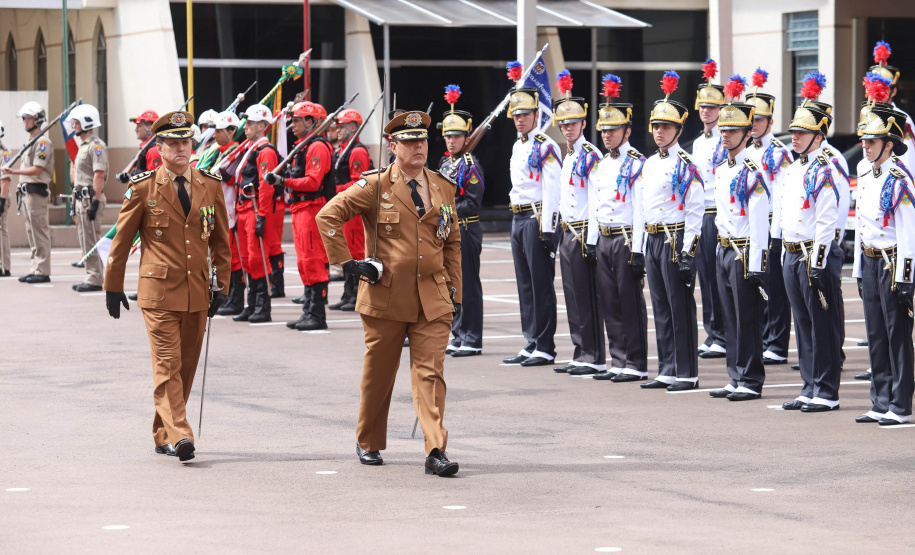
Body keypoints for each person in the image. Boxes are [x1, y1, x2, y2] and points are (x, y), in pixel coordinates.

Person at [315, 110, 462, 477]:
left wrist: (454, 291)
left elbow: (452, 241)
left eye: (422, 140)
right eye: (409, 141)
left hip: (433, 296)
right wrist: (348, 264)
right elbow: (327, 217)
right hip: (386, 297)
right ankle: (368, 440)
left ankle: (435, 449)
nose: (417, 147)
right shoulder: (375, 186)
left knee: (431, 374)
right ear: (392, 146)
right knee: (379, 374)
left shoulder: (442, 186)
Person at [103, 110, 231, 462]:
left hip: (197, 292)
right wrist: (112, 285)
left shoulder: (210, 184)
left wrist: (224, 284)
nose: (180, 149)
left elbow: (221, 240)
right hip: (158, 293)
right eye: (172, 143)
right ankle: (181, 435)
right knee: (167, 363)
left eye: (185, 142)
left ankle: (162, 432)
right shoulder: (143, 188)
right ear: (159, 147)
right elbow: (121, 240)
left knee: (185, 366)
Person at [779, 73, 843, 413]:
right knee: (802, 324)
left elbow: (826, 221)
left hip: (810, 255)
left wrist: (818, 262)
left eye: (802, 132)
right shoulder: (795, 168)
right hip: (791, 253)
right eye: (794, 132)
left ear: (819, 135)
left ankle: (826, 390)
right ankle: (809, 385)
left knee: (821, 324)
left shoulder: (824, 167)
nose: (795, 137)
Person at [640, 71, 704, 392]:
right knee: (661, 305)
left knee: (680, 306)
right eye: (656, 126)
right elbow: (643, 207)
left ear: (679, 130)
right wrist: (640, 249)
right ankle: (666, 367)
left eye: (665, 127)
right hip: (653, 238)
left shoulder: (687, 164)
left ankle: (687, 372)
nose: (659, 132)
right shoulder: (649, 163)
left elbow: (695, 212)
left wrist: (688, 252)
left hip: (675, 238)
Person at [851, 101, 914, 425]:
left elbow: (907, 232)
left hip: (892, 264)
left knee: (897, 335)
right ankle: (880, 400)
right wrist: (860, 272)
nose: (865, 145)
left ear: (889, 144)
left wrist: (906, 278)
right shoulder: (866, 173)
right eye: (864, 140)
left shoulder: (899, 179)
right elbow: (863, 228)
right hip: (871, 261)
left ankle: (900, 405)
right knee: (875, 333)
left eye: (872, 141)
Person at [706, 77, 769, 401]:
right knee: (729, 316)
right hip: (725, 247)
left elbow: (758, 221)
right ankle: (735, 375)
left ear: (747, 133)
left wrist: (756, 262)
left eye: (732, 131)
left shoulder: (751, 170)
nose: (726, 135)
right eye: (724, 131)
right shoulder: (723, 169)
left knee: (747, 319)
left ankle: (750, 378)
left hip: (745, 251)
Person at [586, 74, 649, 382]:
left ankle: (636, 362)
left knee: (629, 300)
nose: (607, 135)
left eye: (613, 130)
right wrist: (591, 240)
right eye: (604, 130)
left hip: (625, 238)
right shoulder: (601, 165)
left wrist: (638, 250)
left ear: (627, 130)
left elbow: (639, 210)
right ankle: (618, 359)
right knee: (609, 299)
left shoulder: (637, 163)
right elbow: (597, 205)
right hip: (606, 239)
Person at [502, 63, 561, 367]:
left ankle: (546, 345)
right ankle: (532, 339)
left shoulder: (545, 146)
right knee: (525, 284)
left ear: (537, 115)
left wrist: (549, 229)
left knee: (540, 284)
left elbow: (552, 190)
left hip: (537, 219)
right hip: (518, 217)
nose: (520, 119)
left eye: (525, 114)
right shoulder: (517, 146)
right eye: (516, 115)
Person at [551, 70, 605, 376]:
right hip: (568, 232)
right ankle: (580, 350)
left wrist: (593, 238)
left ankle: (593, 354)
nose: (568, 128)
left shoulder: (589, 154)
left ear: (583, 124)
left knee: (586, 295)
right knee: (572, 293)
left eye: (572, 123)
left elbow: (596, 200)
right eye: (563, 124)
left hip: (584, 231)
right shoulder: (569, 155)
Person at [267, 101, 333, 331]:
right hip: (299, 209)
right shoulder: (303, 147)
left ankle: (317, 314)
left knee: (313, 261)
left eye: (296, 121)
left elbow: (313, 181)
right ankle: (308, 311)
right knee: (304, 263)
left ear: (311, 122)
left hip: (313, 209)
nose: (292, 125)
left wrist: (283, 181)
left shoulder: (317, 147)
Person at [745, 70, 794, 366]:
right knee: (757, 285)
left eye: (759, 120)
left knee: (775, 288)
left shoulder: (779, 153)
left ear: (770, 122)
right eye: (750, 119)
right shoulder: (747, 150)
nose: (753, 125)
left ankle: (777, 343)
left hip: (773, 227)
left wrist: (775, 235)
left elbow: (782, 194)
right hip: (753, 226)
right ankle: (765, 337)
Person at [437, 85, 484, 357]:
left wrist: (445, 207)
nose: (451, 141)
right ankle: (458, 333)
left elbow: (471, 203)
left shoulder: (469, 164)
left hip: (466, 229)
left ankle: (472, 337)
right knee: (452, 285)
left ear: (467, 136)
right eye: (447, 136)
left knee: (468, 285)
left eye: (456, 136)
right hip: (449, 230)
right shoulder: (446, 164)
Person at [690, 59, 727, 359]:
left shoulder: (725, 140)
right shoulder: (698, 143)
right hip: (700, 213)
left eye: (712, 107)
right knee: (704, 275)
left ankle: (723, 334)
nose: (706, 111)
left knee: (718, 277)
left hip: (718, 212)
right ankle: (713, 331)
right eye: (703, 106)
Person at [231, 104, 281, 323]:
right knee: (246, 260)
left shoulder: (266, 151)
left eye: (250, 123)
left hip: (254, 209)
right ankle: (251, 304)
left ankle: (263, 306)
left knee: (258, 258)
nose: (246, 127)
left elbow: (266, 186)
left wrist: (261, 215)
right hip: (243, 210)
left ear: (263, 126)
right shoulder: (251, 148)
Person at [1, 101, 53, 283]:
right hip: (27, 194)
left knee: (39, 232)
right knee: (31, 233)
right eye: (24, 118)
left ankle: (43, 270)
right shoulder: (31, 141)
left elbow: (37, 170)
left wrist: (13, 172)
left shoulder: (43, 142)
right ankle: (35, 268)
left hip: (36, 193)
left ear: (37, 119)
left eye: (28, 118)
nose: (24, 121)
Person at [330, 107, 373, 312]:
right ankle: (348, 292)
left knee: (355, 252)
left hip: (354, 209)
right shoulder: (343, 149)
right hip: (344, 208)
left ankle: (357, 294)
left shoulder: (357, 151)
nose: (338, 130)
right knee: (346, 252)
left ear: (353, 127)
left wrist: (335, 190)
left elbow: (359, 183)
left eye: (342, 126)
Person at [66, 104, 109, 292]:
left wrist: (96, 201)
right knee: (85, 239)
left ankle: (95, 278)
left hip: (90, 199)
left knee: (92, 238)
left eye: (76, 122)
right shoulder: (83, 146)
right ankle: (91, 276)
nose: (74, 125)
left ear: (86, 122)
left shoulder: (96, 145)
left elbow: (99, 174)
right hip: (81, 199)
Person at [210, 111, 247, 316]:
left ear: (232, 131)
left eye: (219, 131)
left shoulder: (236, 152)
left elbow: (236, 179)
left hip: (231, 209)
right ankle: (226, 296)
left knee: (233, 258)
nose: (215, 135)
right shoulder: (218, 152)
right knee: (221, 257)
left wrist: (223, 174)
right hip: (219, 208)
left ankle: (236, 298)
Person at [868, 41, 915, 171]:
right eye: (873, 88)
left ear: (893, 91)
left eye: (883, 89)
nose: (877, 94)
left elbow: (908, 162)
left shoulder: (903, 119)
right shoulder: (867, 115)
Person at [0, 120, 12, 276]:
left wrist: (2, 199)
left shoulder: (4, 153)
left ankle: (5, 266)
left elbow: (6, 177)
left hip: (1, 195)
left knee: (2, 231)